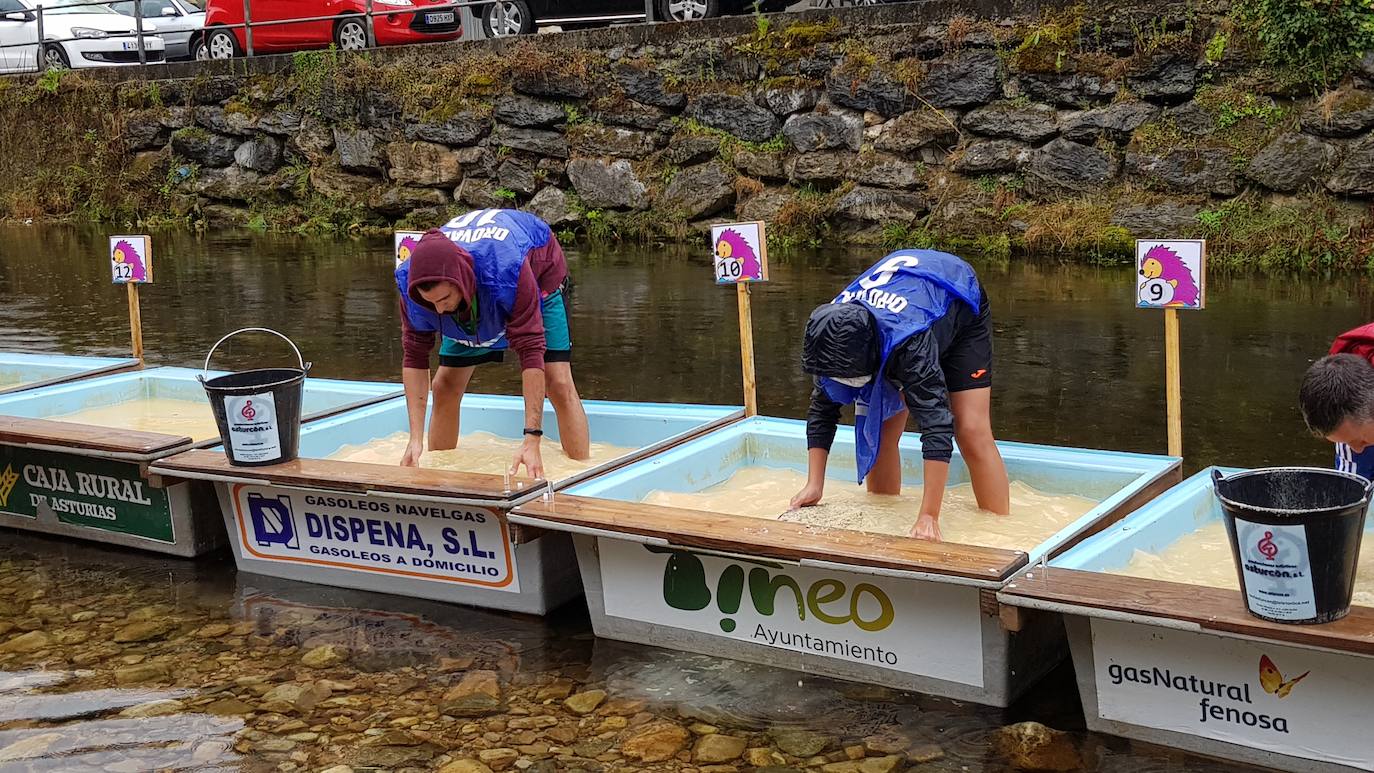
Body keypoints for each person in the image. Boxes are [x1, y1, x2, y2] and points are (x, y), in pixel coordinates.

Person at [789, 249, 1011, 542]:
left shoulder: (910, 348)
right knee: (877, 426)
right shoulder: (830, 336)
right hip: (899, 308)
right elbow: (822, 409)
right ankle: (885, 513)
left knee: (970, 428)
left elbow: (936, 423)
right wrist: (813, 484)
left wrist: (929, 516)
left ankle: (1000, 531)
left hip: (957, 297)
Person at [396, 208, 590, 478]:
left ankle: (581, 473)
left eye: (443, 299)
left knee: (557, 382)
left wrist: (532, 439)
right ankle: (439, 473)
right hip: (473, 293)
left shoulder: (508, 271)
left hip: (536, 272)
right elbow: (415, 356)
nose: (439, 311)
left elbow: (531, 351)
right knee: (445, 385)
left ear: (461, 282)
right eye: (432, 303)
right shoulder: (410, 286)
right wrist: (414, 439)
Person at [1299, 323, 1374, 479]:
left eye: (1359, 442)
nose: (1357, 449)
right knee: (1354, 484)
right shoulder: (1345, 376)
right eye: (1346, 442)